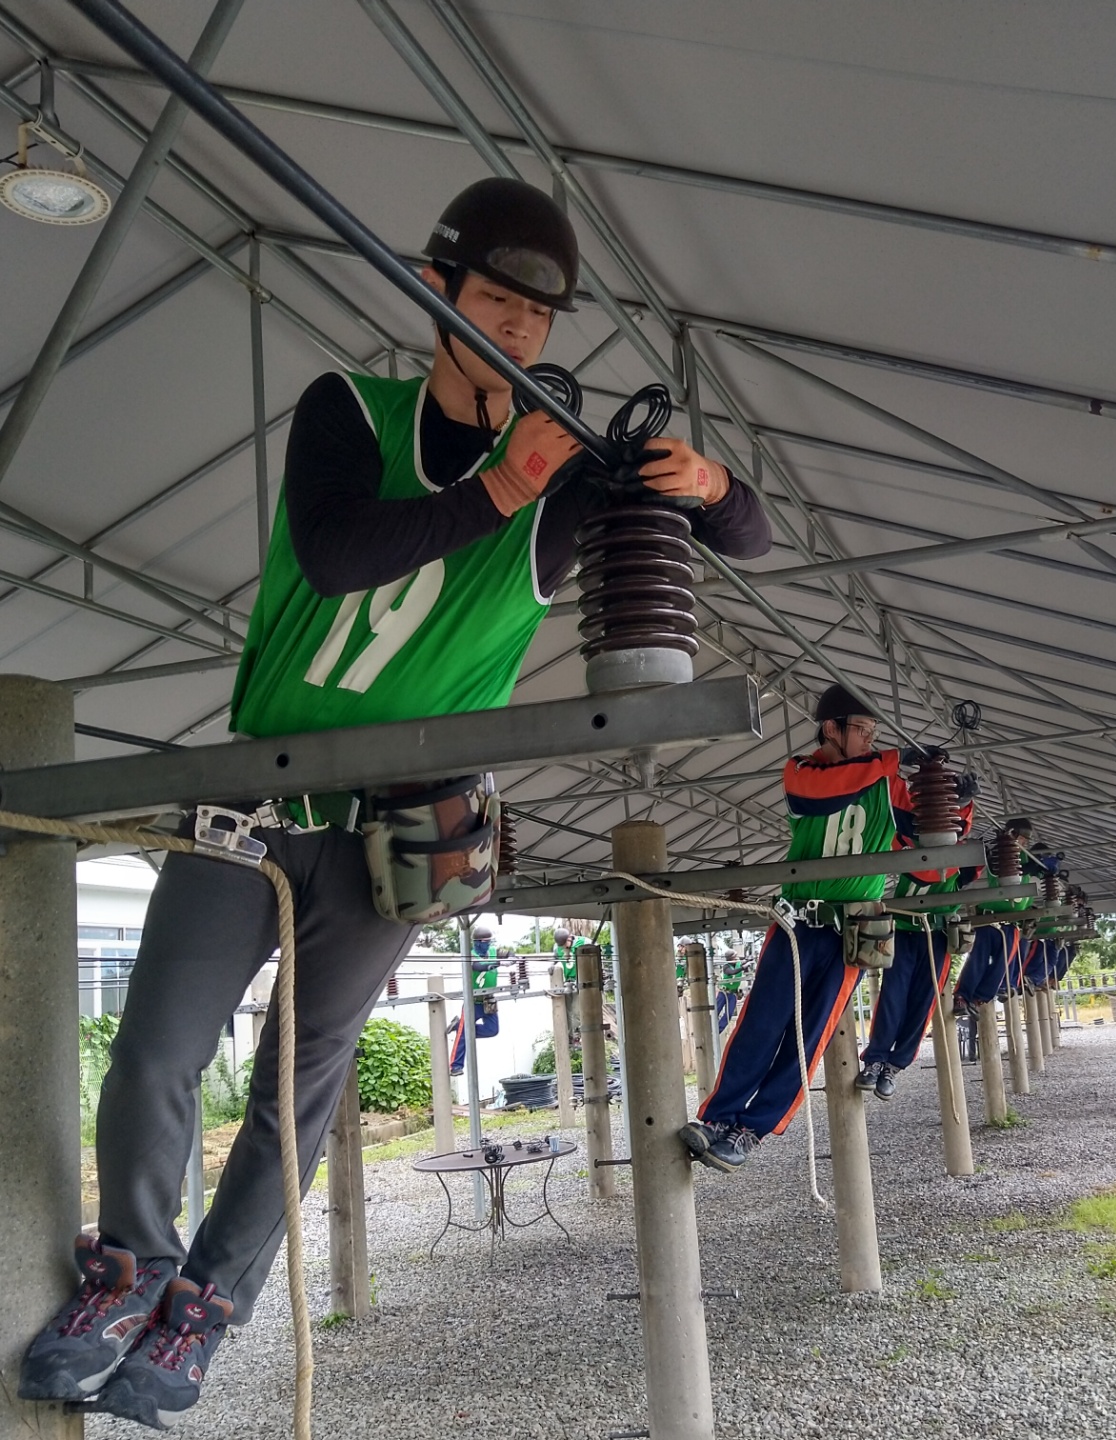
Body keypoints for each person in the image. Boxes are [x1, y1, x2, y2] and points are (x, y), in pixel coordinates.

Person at [20, 176, 770, 1429]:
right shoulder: (350, 409)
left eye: (539, 314)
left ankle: (205, 1306)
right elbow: (335, 553)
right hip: (253, 795)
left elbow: (747, 539)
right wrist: (500, 488)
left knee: (298, 1089)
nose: (517, 327)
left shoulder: (568, 481)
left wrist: (711, 484)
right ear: (437, 293)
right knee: (156, 1048)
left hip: (401, 834)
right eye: (494, 300)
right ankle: (131, 1270)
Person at [678, 685, 904, 1172]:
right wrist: (890, 761)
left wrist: (952, 796)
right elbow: (821, 795)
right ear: (831, 729)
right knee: (761, 1023)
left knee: (809, 1037)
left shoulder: (887, 782)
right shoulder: (802, 772)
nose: (871, 739)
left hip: (852, 932)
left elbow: (927, 830)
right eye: (863, 729)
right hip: (798, 923)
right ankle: (716, 1118)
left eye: (874, 731)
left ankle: (750, 1130)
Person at [856, 765, 976, 1099]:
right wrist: (892, 770)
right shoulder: (910, 847)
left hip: (936, 937)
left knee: (923, 1002)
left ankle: (893, 1065)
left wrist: (963, 806)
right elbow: (901, 823)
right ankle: (876, 1060)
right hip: (906, 931)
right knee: (893, 998)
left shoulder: (961, 858)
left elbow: (968, 847)